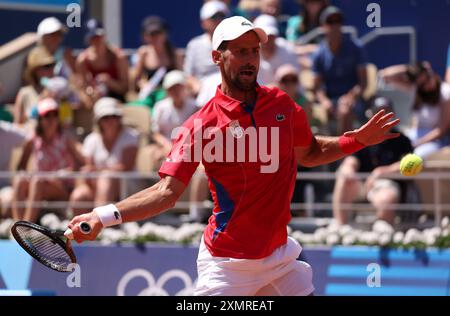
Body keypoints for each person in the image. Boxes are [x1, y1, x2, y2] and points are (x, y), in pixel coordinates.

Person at [67, 16, 400, 296]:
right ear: (217, 57)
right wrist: (103, 216)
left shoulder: (283, 106)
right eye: (240, 51)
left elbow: (310, 153)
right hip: (226, 265)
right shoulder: (200, 125)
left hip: (280, 257)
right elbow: (165, 193)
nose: (250, 59)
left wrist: (356, 140)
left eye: (254, 50)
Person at [332, 97, 414, 225]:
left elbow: (412, 163)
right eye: (378, 113)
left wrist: (382, 172)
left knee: (387, 198)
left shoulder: (402, 140)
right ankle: (340, 229)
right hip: (362, 184)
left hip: (386, 185)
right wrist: (348, 167)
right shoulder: (362, 137)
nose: (383, 118)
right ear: (371, 115)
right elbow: (352, 159)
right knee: (343, 177)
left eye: (386, 113)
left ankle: (382, 236)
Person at [12, 98, 84, 223]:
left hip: (63, 188)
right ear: (40, 119)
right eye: (47, 115)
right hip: (40, 185)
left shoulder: (66, 138)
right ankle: (17, 226)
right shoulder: (33, 138)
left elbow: (81, 162)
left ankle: (26, 227)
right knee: (20, 181)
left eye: (55, 114)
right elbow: (21, 166)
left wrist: (67, 172)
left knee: (38, 181)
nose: (51, 119)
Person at [69, 97, 139, 216]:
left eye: (114, 116)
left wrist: (98, 171)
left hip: (127, 186)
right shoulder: (91, 139)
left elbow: (126, 167)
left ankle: (100, 225)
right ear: (99, 121)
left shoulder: (131, 136)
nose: (110, 120)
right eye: (106, 117)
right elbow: (89, 170)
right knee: (79, 196)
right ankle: (81, 231)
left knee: (106, 179)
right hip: (97, 185)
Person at [311, 6, 369, 135]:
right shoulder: (319, 54)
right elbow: (316, 88)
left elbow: (363, 83)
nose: (335, 26)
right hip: (330, 100)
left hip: (354, 100)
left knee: (345, 110)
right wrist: (325, 101)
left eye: (338, 21)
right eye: (330, 22)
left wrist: (351, 96)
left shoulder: (356, 48)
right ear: (323, 26)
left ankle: (344, 152)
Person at [380, 61, 450, 158]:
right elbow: (385, 75)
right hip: (414, 136)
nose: (428, 84)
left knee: (416, 155)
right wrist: (411, 69)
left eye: (428, 78)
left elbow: (441, 130)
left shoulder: (446, 92)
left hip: (434, 141)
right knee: (391, 148)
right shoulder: (415, 90)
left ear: (431, 72)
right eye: (422, 84)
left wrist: (418, 143)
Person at [75, 19, 129, 108]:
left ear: (104, 36)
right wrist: (90, 93)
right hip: (96, 103)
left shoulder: (119, 57)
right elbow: (82, 89)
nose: (96, 41)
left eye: (98, 36)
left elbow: (125, 89)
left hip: (117, 101)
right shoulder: (83, 60)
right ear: (88, 40)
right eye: (93, 38)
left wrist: (110, 83)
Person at [130, 16, 180, 110]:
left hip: (169, 97)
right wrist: (144, 84)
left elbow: (181, 77)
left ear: (165, 34)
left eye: (158, 33)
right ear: (145, 37)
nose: (155, 37)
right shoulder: (143, 53)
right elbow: (136, 79)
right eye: (152, 34)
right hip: (149, 96)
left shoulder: (174, 54)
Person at [184, 0, 229, 95]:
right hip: (203, 94)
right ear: (203, 22)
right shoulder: (194, 45)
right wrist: (197, 87)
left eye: (221, 16)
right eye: (214, 17)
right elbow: (188, 75)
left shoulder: (233, 41)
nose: (218, 20)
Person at [253, 14, 299, 85]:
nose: (267, 40)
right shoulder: (249, 55)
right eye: (264, 37)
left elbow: (295, 86)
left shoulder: (287, 49)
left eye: (271, 36)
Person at [14, 47, 56, 126]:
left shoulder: (60, 89)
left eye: (52, 65)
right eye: (47, 66)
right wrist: (41, 101)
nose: (51, 69)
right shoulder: (24, 93)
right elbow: (17, 125)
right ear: (35, 70)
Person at [0, 121, 28, 218]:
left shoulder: (7, 130)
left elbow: (30, 138)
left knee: (8, 206)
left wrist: (23, 163)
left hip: (3, 187)